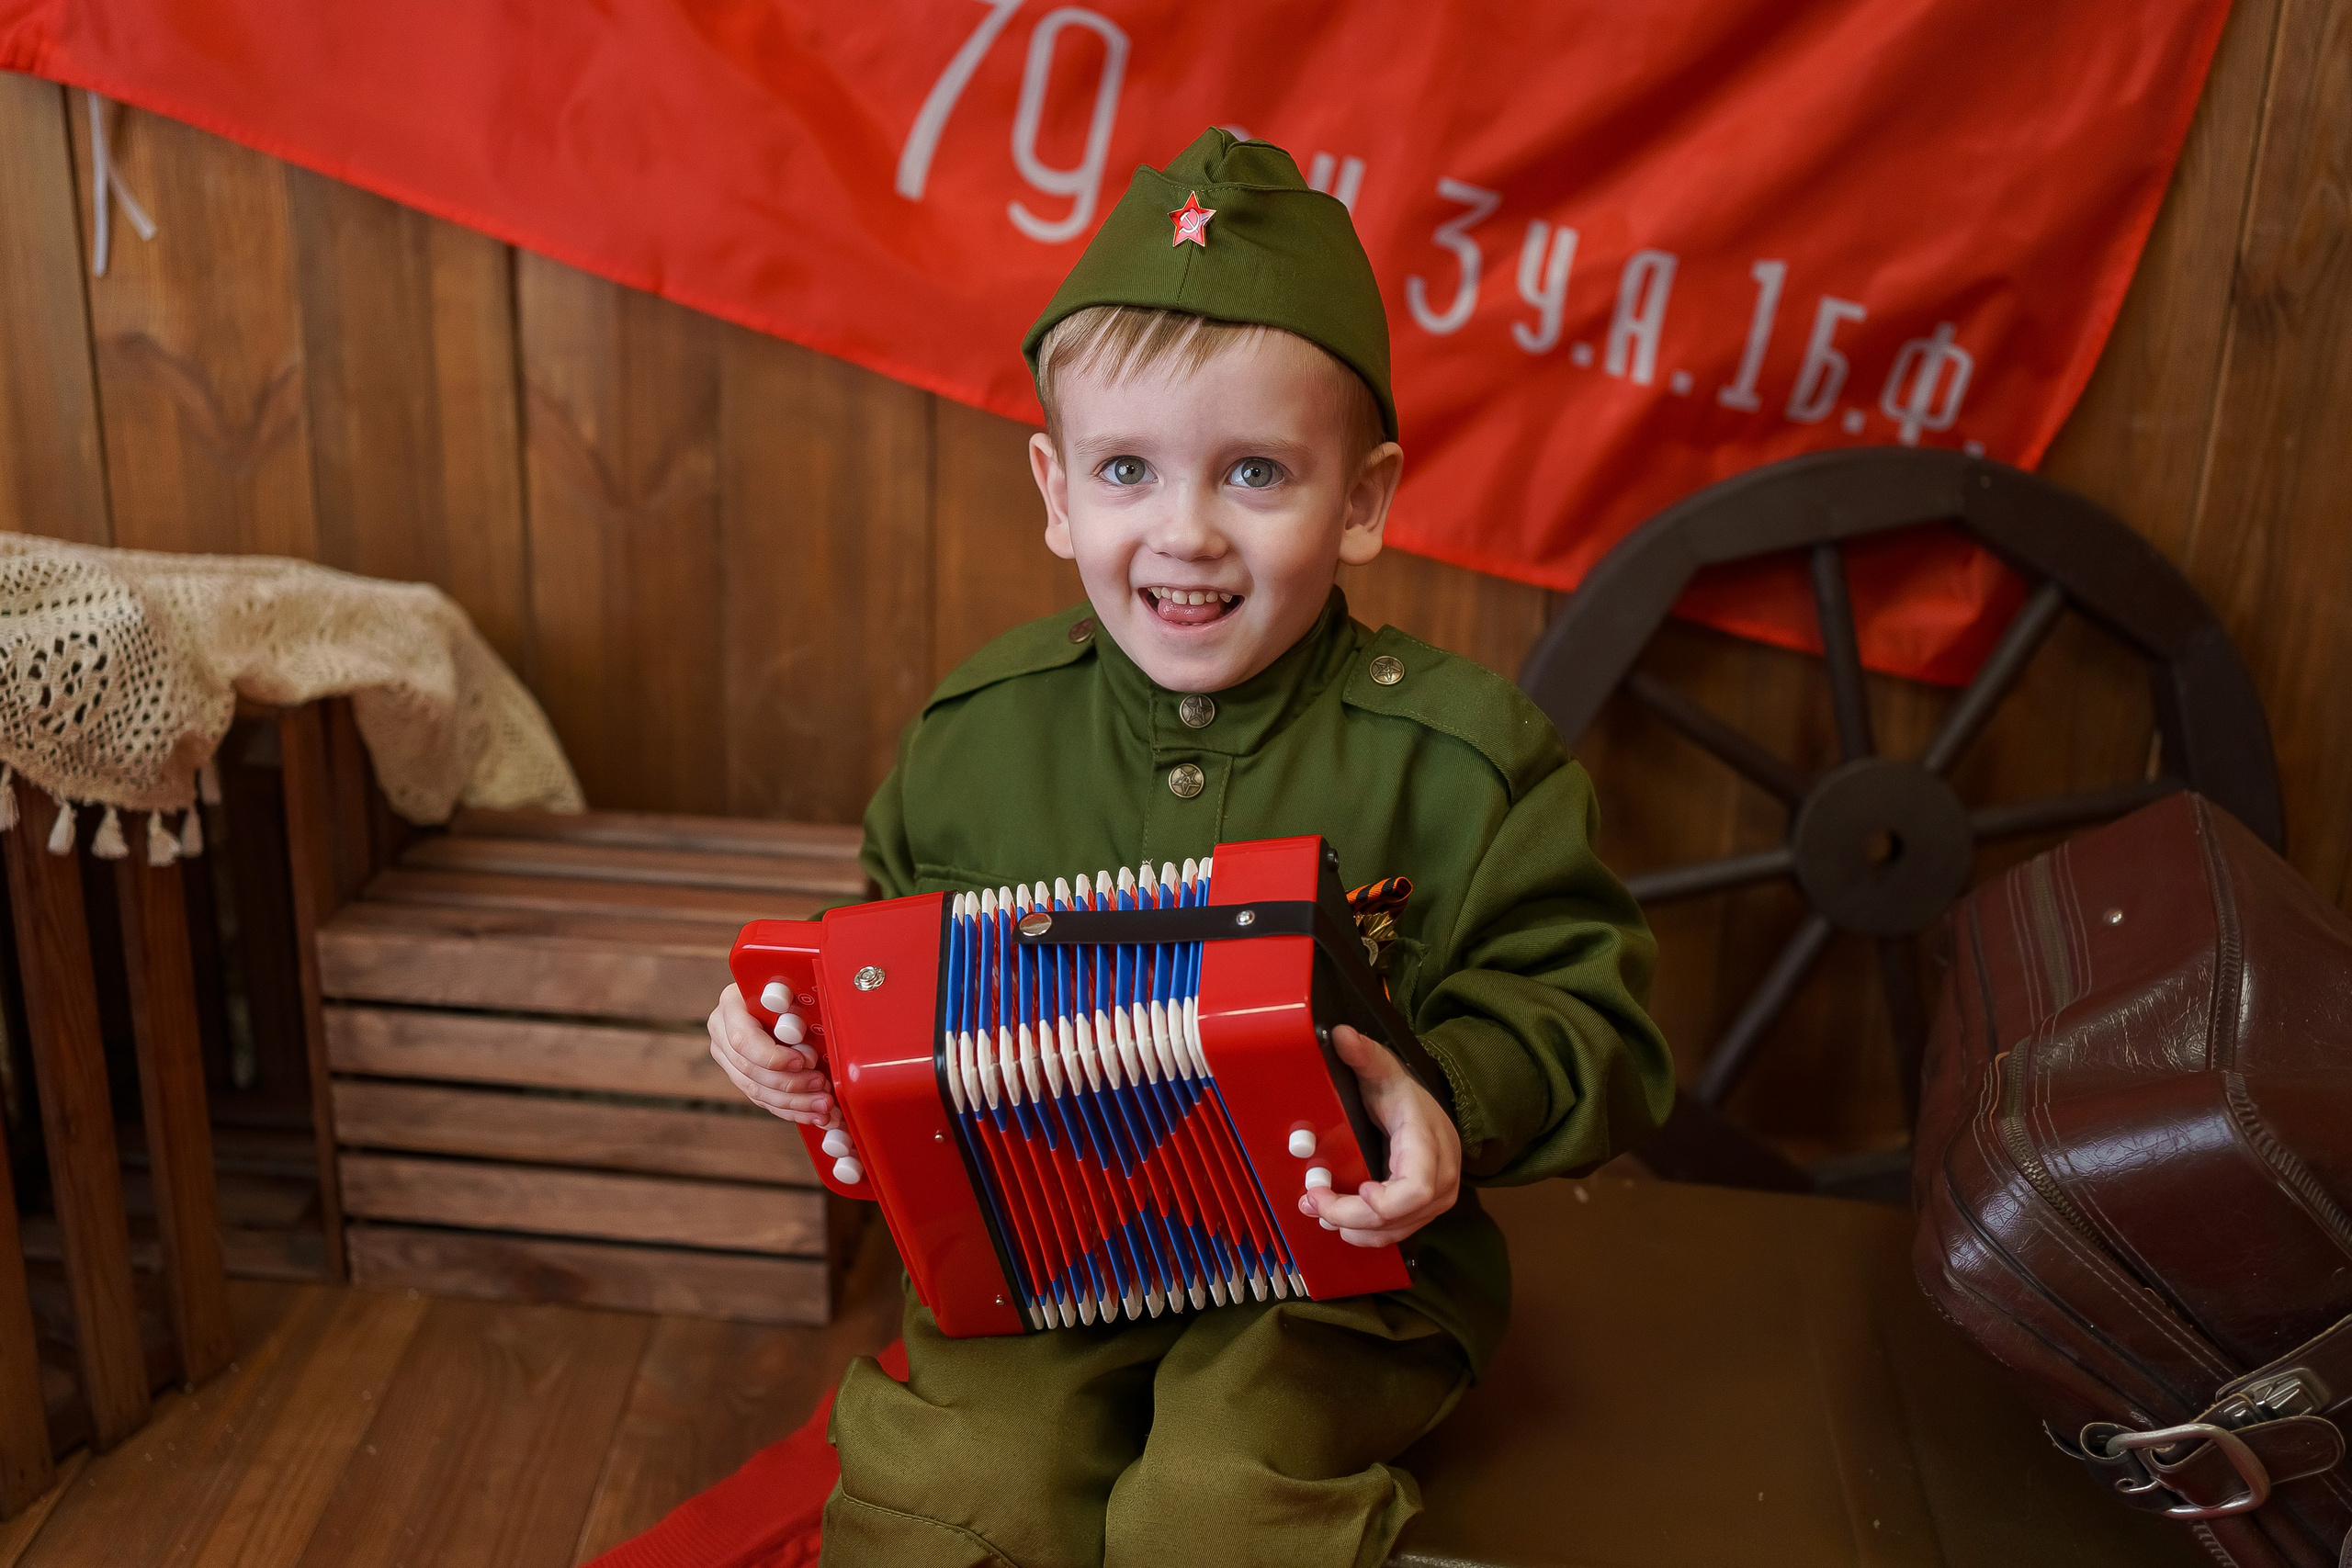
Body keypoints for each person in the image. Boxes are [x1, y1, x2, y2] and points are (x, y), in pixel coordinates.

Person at [706, 128, 1673, 1568]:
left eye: (1257, 473)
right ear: (1057, 492)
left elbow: (1593, 1015)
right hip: (1040, 1253)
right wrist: (800, 1042)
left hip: (1347, 1272)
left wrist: (1448, 1098)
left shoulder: (1468, 759)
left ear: (1362, 501)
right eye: (1127, 470)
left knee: (1211, 1508)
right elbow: (887, 970)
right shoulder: (978, 733)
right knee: (954, 1487)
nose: (1187, 532)